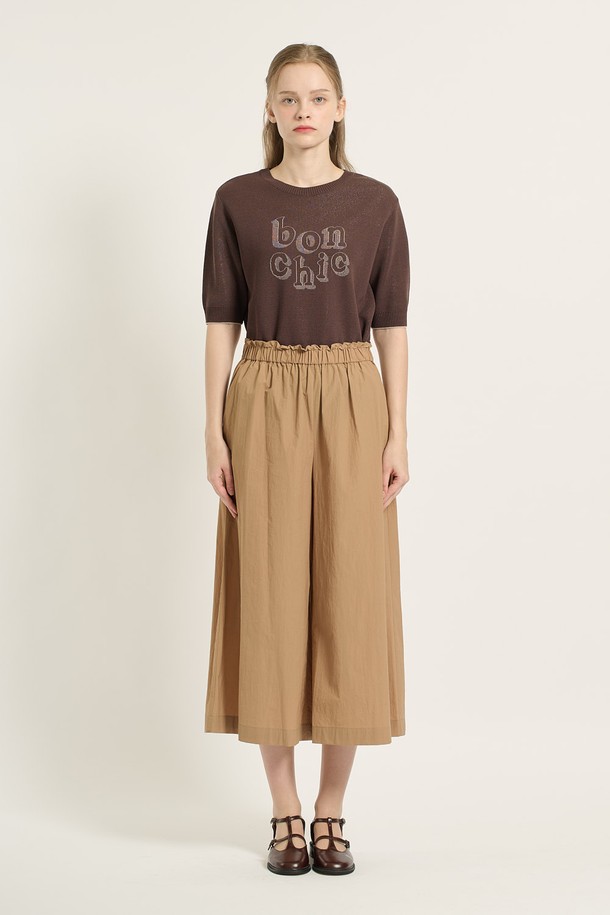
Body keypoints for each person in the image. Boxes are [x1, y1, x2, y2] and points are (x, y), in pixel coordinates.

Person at [201, 43, 410, 876]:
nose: (303, 112)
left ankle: (331, 809)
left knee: (350, 598)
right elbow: (221, 319)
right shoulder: (237, 201)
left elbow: (391, 322)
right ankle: (284, 807)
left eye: (318, 97)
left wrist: (399, 430)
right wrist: (212, 430)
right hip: (265, 389)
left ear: (341, 107)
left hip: (352, 394)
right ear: (269, 108)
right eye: (288, 98)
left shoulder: (376, 203)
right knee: (271, 596)